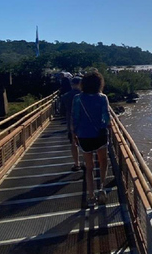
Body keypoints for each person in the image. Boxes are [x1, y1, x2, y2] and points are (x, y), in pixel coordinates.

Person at [72, 70, 110, 207]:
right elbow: (106, 118)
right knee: (103, 162)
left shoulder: (78, 98)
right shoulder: (102, 98)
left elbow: (75, 118)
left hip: (84, 136)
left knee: (89, 167)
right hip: (99, 135)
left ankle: (90, 196)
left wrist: (75, 134)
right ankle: (102, 188)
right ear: (99, 83)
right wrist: (103, 126)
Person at [60, 76, 82, 171]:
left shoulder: (65, 96)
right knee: (86, 143)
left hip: (71, 122)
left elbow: (61, 111)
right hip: (84, 122)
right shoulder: (85, 95)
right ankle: (87, 162)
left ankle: (77, 163)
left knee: (74, 143)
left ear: (72, 84)